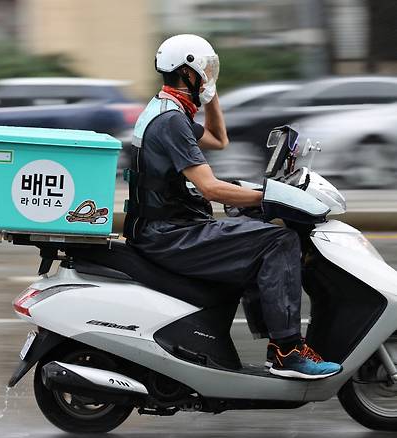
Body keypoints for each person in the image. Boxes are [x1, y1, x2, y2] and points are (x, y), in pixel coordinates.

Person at [123, 34, 341, 380]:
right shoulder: (171, 122)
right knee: (279, 241)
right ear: (188, 72)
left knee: (256, 231)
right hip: (171, 233)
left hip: (165, 226)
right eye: (206, 71)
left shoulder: (167, 109)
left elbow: (218, 140)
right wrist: (274, 196)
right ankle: (286, 351)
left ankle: (276, 341)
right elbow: (209, 188)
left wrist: (210, 96)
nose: (211, 76)